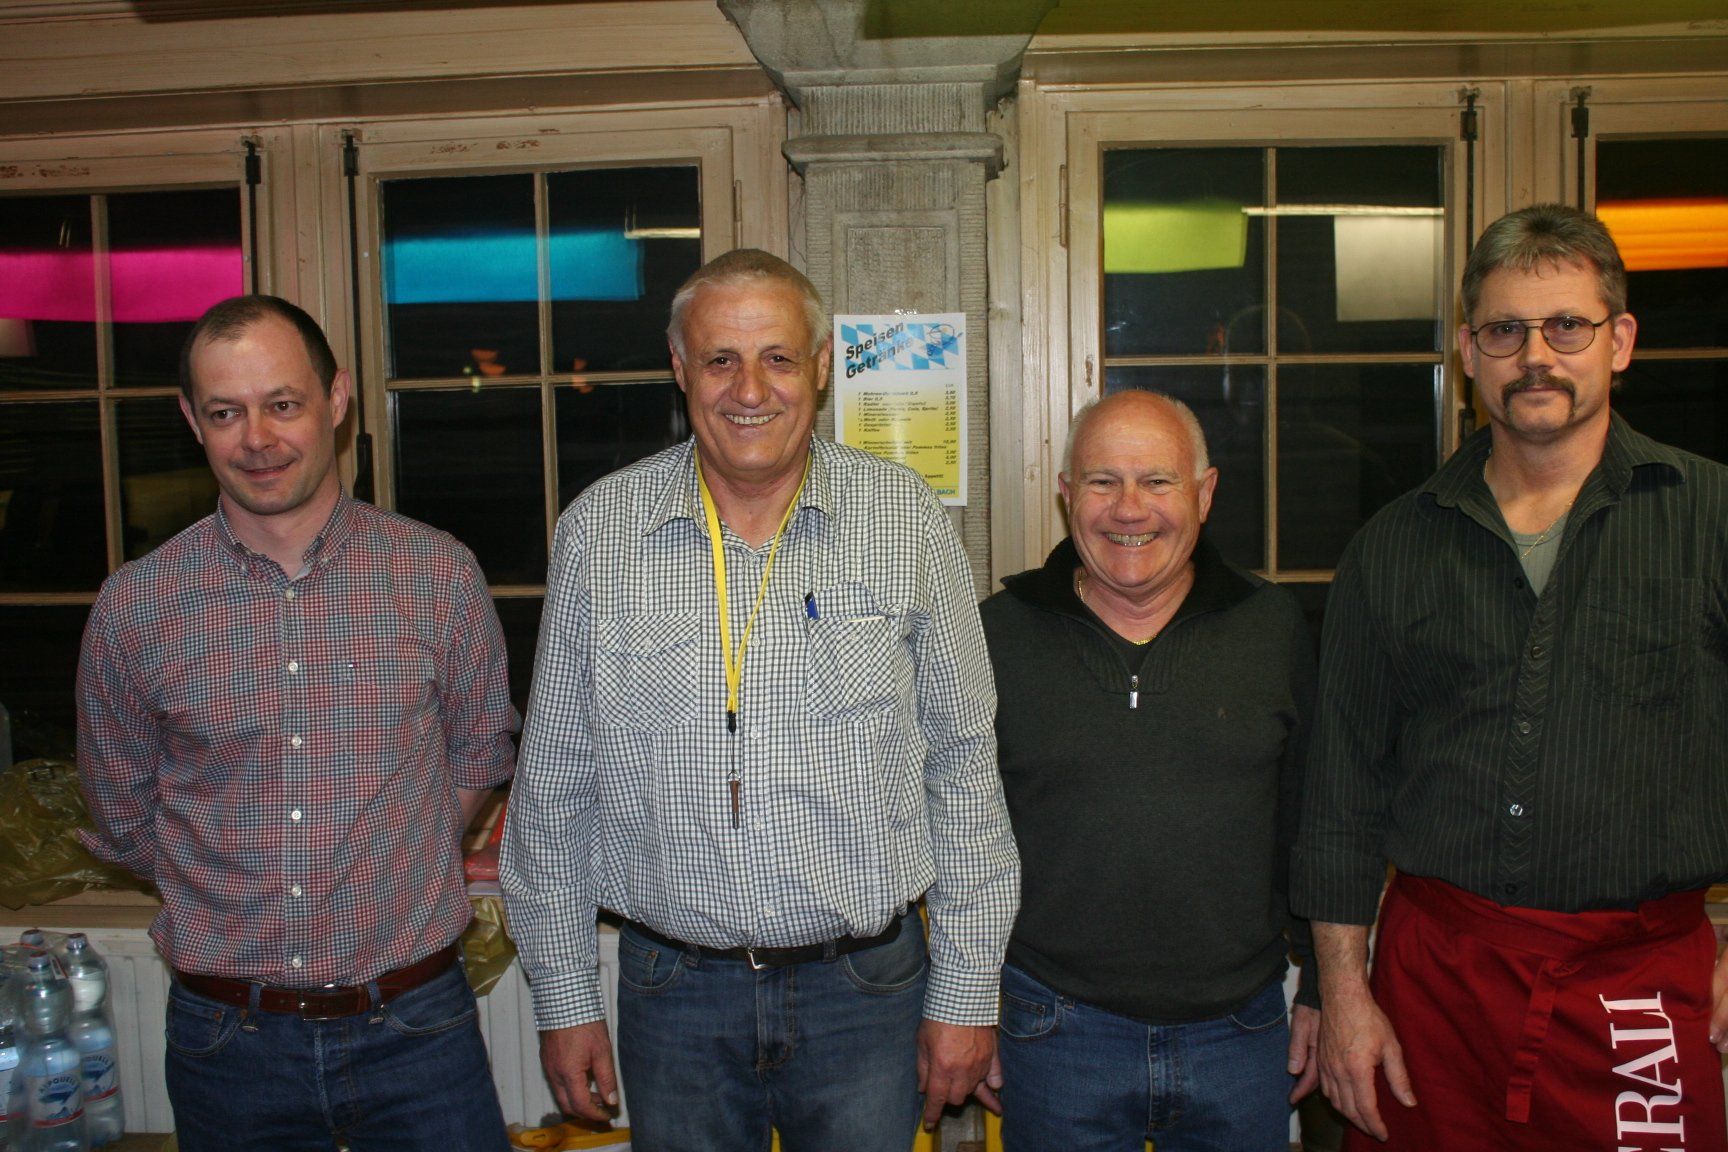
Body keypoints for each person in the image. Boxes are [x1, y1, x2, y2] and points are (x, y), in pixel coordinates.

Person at [499, 248, 1019, 1152]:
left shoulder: (905, 520)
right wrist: (565, 997)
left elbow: (966, 767)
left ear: (820, 366)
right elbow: (554, 788)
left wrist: (968, 991)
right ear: (679, 368)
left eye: (778, 357)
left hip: (865, 991)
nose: (750, 389)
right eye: (721, 360)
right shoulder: (600, 533)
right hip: (674, 993)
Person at [1293, 203, 1728, 1150]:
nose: (1536, 355)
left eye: (1567, 325)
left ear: (1620, 341)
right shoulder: (1393, 547)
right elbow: (1341, 795)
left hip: (1642, 987)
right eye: (1504, 330)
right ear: (1468, 351)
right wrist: (1343, 992)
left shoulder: (1711, 519)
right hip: (1434, 989)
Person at [77, 295, 518, 1151]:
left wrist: (395, 852)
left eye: (282, 404)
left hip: (417, 1028)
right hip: (226, 1043)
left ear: (337, 399)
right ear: (191, 421)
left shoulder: (438, 575)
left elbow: (477, 751)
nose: (258, 439)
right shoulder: (135, 607)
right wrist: (227, 887)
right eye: (225, 413)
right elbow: (122, 816)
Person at [980, 389, 1321, 1151]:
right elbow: (957, 835)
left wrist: (1325, 991)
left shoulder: (1272, 628)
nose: (1129, 509)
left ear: (1204, 493)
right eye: (1102, 481)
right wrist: (966, 1009)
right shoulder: (996, 636)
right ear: (1066, 494)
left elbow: (1310, 823)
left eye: (1157, 481)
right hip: (1054, 1029)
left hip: (1241, 1030)